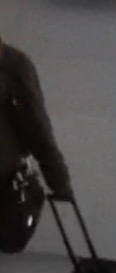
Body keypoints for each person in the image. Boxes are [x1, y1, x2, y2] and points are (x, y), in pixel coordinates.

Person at [0, 32, 76, 202]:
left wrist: (59, 180)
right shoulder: (12, 63)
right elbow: (37, 127)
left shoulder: (12, 65)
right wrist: (60, 183)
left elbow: (37, 126)